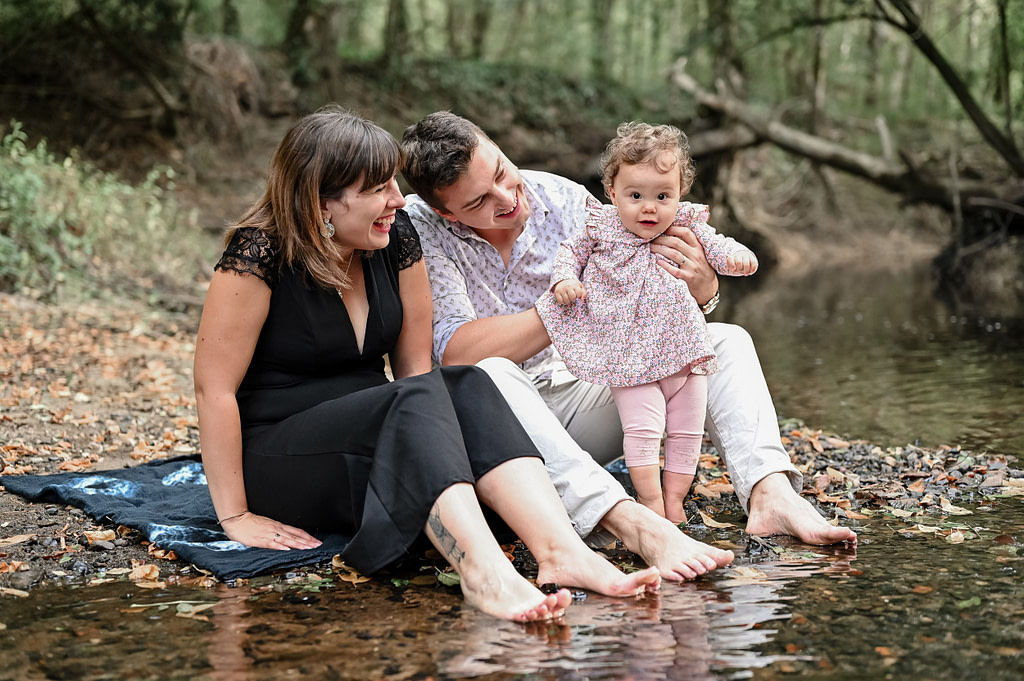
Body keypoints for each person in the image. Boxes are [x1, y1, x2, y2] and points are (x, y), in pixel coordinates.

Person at [192, 105, 664, 623]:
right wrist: (234, 515)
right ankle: (484, 576)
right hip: (283, 453)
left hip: (374, 431)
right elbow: (214, 390)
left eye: (393, 183)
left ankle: (562, 552)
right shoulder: (258, 254)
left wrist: (460, 457)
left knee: (463, 378)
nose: (398, 200)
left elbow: (420, 373)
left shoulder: (397, 240)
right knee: (422, 396)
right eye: (377, 189)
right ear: (321, 203)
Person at [400, 111, 856, 547]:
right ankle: (619, 516)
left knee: (728, 342)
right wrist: (572, 302)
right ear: (447, 213)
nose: (507, 197)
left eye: (501, 171)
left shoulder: (563, 199)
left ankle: (769, 494)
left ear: (497, 147)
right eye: (479, 200)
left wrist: (703, 288)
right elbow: (458, 353)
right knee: (492, 372)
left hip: (584, 389)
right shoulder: (420, 230)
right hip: (503, 426)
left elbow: (654, 285)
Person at [536, 121, 759, 524]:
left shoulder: (687, 224)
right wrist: (566, 279)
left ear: (680, 193)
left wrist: (738, 256)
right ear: (612, 192)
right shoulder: (600, 227)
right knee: (642, 433)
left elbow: (719, 247)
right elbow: (569, 253)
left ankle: (674, 502)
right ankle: (650, 501)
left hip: (685, 350)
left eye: (662, 195)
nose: (649, 207)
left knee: (687, 434)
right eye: (635, 195)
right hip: (629, 356)